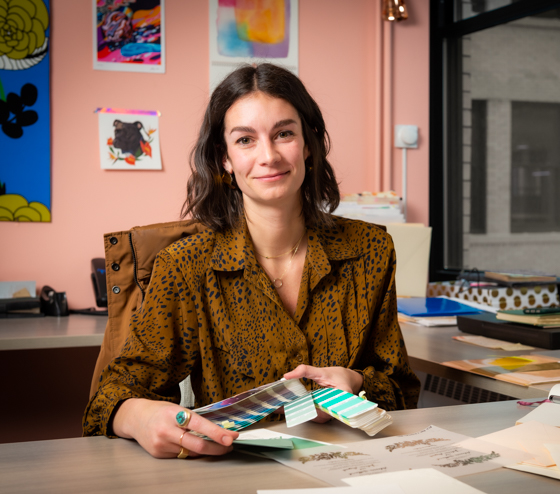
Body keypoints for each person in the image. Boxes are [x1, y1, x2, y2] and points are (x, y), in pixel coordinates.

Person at [83, 63, 421, 459]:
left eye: (284, 134)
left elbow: (401, 389)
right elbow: (109, 398)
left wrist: (356, 379)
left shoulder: (370, 250)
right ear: (223, 158)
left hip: (350, 470)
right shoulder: (186, 265)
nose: (269, 155)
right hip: (234, 472)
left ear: (308, 144)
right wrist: (140, 417)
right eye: (245, 140)